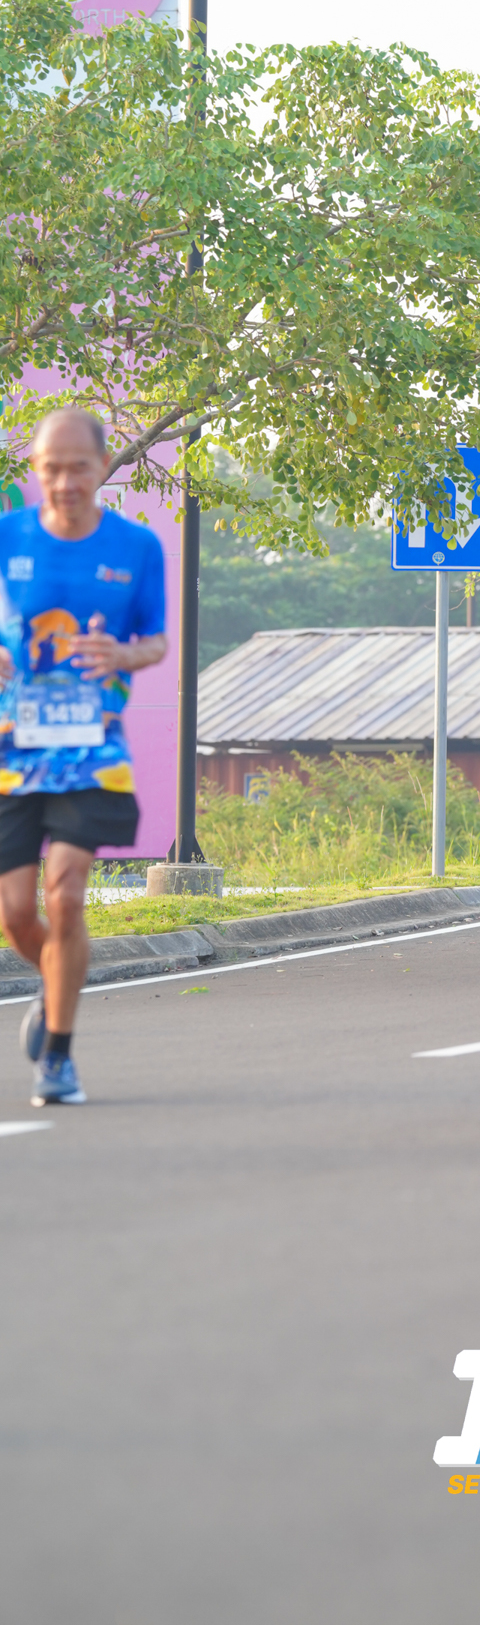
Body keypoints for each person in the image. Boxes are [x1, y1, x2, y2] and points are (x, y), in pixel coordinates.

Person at [0, 410, 168, 1104]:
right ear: (35, 471)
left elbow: (156, 641)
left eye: (78, 467)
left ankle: (59, 1059)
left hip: (93, 750)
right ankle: (57, 977)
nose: (65, 482)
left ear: (103, 467)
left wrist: (121, 654)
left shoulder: (137, 547)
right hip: (13, 752)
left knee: (66, 893)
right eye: (51, 469)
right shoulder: (6, 536)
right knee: (15, 912)